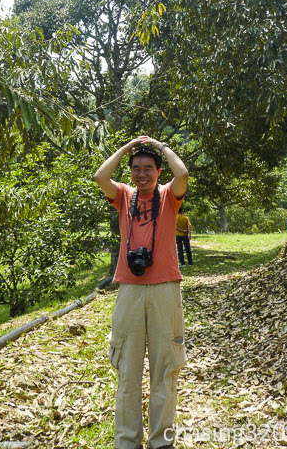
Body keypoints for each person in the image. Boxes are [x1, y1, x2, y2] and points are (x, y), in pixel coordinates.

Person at [94, 136, 189, 449]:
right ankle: (127, 440)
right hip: (130, 290)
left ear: (159, 172)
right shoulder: (124, 195)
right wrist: (127, 147)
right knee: (127, 369)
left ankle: (161, 440)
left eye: (148, 169)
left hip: (164, 289)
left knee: (165, 368)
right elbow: (100, 176)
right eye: (136, 169)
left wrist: (160, 146)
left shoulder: (169, 196)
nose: (141, 174)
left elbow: (183, 173)